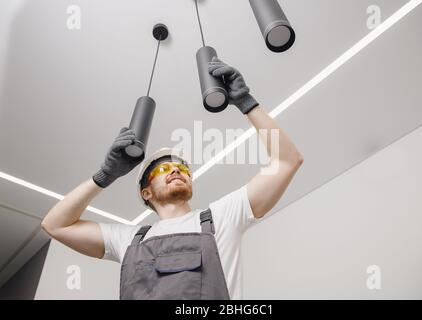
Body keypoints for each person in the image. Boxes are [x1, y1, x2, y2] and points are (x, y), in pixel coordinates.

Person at [41, 57, 304, 299]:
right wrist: (104, 176)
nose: (176, 170)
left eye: (182, 168)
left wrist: (247, 103)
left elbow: (287, 161)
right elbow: (55, 225)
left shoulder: (223, 216)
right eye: (163, 170)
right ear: (146, 193)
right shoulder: (128, 239)